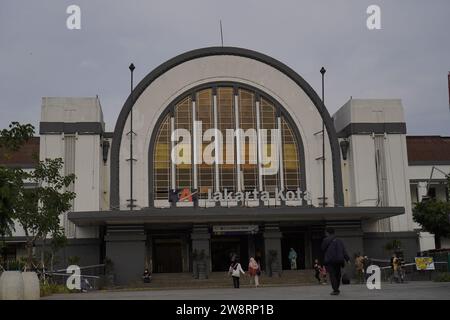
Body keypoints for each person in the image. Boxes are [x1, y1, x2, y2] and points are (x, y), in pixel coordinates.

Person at [321, 227, 350, 295]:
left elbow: (322, 249)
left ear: (327, 233)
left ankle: (335, 290)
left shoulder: (326, 240)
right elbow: (343, 250)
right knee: (338, 275)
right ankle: (337, 288)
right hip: (339, 260)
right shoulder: (339, 240)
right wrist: (347, 259)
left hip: (330, 260)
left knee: (332, 275)